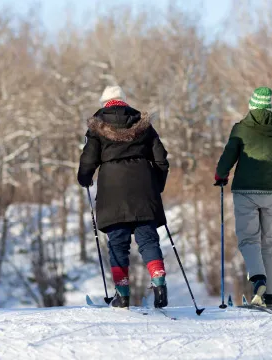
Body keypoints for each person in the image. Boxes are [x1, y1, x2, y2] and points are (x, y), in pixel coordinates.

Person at [78, 85, 170, 309]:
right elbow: (161, 159)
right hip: (143, 188)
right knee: (148, 240)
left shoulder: (97, 127)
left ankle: (122, 295)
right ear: (124, 101)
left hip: (112, 191)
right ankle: (159, 284)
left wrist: (84, 177)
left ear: (104, 103)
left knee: (118, 245)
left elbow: (89, 159)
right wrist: (155, 186)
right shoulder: (143, 125)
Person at [215, 87, 272, 308]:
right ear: (269, 107)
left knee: (249, 239)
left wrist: (221, 175)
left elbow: (228, 156)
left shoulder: (241, 129)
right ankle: (270, 295)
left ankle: (258, 279)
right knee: (269, 243)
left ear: (252, 106)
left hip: (245, 191)